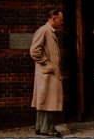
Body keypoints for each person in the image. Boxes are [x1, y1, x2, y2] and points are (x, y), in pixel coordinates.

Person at [30, 9, 64, 137]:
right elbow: (34, 51)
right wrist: (47, 64)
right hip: (47, 74)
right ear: (53, 18)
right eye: (60, 20)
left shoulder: (49, 32)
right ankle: (47, 129)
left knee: (45, 101)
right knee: (49, 102)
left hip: (48, 74)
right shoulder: (44, 31)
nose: (61, 23)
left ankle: (41, 127)